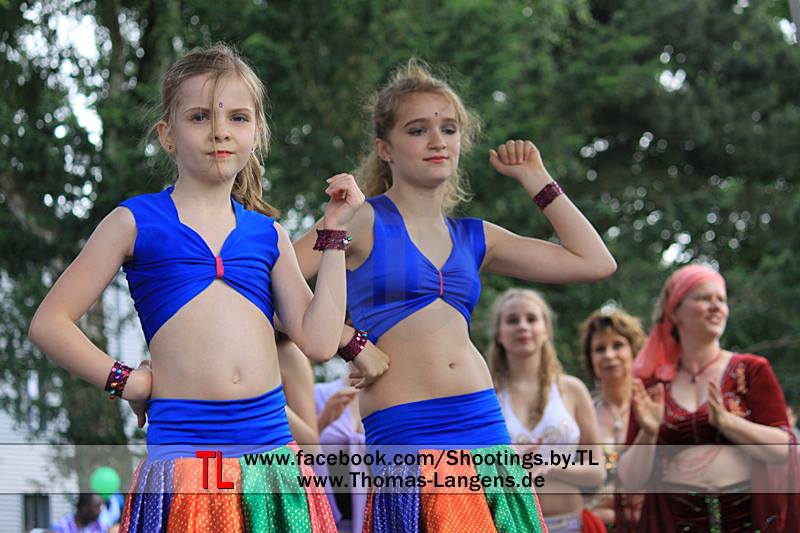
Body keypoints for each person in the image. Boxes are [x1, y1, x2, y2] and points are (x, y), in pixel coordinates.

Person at [28, 43, 365, 531]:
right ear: (167, 135)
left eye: (237, 117)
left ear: (257, 133)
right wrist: (127, 381)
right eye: (200, 117)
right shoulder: (134, 221)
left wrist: (333, 234)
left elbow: (317, 340)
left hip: (271, 461)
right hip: (187, 460)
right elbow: (49, 322)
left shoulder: (268, 234)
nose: (219, 131)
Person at [294, 58, 617, 532]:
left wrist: (537, 180)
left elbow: (595, 262)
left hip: (482, 421)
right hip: (407, 426)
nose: (437, 141)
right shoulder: (360, 218)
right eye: (418, 130)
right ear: (385, 148)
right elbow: (265, 288)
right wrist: (349, 341)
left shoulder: (475, 236)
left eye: (448, 128)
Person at [616, 264, 799, 532]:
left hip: (745, 521)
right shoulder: (653, 385)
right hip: (677, 522)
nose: (716, 307)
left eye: (721, 300)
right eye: (704, 298)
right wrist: (648, 433)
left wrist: (728, 422)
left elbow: (784, 448)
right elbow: (630, 480)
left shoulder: (751, 370)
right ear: (675, 311)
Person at [488, 289, 606, 533]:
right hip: (508, 526)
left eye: (531, 319)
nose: (522, 326)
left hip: (570, 524)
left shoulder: (572, 389)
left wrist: (550, 465)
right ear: (499, 334)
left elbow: (597, 471)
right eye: (512, 320)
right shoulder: (486, 395)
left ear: (547, 330)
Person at [578, 308, 645, 529]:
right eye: (600, 349)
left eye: (617, 345)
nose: (609, 355)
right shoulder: (582, 415)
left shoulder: (653, 407)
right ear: (591, 359)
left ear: (634, 351)